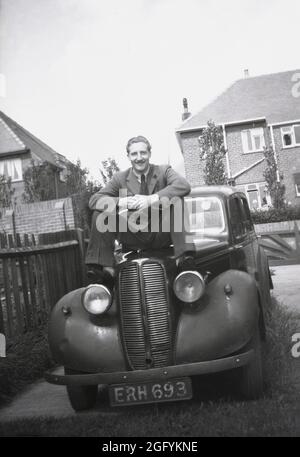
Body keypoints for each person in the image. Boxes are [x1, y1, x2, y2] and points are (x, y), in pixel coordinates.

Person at [85, 135, 191, 284]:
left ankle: (184, 261)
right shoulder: (119, 179)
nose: (139, 158)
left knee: (177, 201)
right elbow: (94, 200)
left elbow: (183, 186)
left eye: (143, 153)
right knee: (100, 213)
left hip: (160, 233)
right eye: (134, 154)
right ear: (128, 156)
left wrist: (151, 198)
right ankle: (102, 270)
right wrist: (122, 202)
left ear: (149, 154)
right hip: (133, 235)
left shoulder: (163, 171)